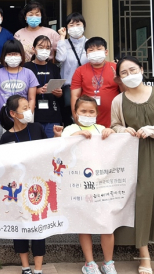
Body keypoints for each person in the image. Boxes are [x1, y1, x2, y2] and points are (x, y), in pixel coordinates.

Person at [111, 56, 154, 274]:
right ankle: (144, 257)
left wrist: (153, 129)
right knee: (140, 205)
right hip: (135, 156)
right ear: (119, 78)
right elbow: (114, 125)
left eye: (133, 70)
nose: (129, 75)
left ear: (141, 70)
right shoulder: (118, 101)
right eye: (124, 73)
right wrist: (123, 130)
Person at [53, 96, 117, 274]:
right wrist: (75, 137)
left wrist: (111, 133)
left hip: (102, 185)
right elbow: (61, 149)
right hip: (79, 185)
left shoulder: (101, 129)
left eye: (91, 112)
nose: (87, 115)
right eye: (83, 111)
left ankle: (109, 262)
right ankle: (90, 263)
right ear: (75, 113)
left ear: (97, 113)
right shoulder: (69, 129)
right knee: (84, 224)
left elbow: (115, 148)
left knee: (107, 225)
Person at [0, 95, 47, 274]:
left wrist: (57, 138)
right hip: (17, 191)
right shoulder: (5, 138)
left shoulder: (37, 128)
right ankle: (25, 267)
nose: (29, 111)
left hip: (38, 189)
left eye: (29, 107)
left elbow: (48, 152)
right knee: (20, 228)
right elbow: (3, 166)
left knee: (38, 229)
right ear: (13, 113)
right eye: (24, 108)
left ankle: (38, 270)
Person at [0, 39, 39, 143]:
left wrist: (28, 115)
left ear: (21, 55)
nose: (13, 57)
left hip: (22, 119)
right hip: (1, 119)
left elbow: (32, 99)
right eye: (10, 54)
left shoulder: (29, 73)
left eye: (16, 54)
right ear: (4, 56)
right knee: (2, 148)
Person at [70, 37, 121, 128]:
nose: (95, 52)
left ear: (106, 52)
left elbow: (125, 92)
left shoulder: (115, 68)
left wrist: (120, 82)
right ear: (86, 54)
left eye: (99, 49)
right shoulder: (79, 71)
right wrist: (76, 118)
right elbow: (75, 96)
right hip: (86, 120)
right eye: (91, 50)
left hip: (113, 120)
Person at [24, 35, 63, 138]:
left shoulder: (53, 67)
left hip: (52, 114)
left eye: (47, 48)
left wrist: (59, 93)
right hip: (34, 115)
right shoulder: (26, 67)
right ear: (33, 49)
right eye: (41, 47)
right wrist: (37, 91)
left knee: (53, 145)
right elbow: (22, 90)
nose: (44, 50)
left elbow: (60, 92)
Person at [56, 12, 89, 126]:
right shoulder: (63, 43)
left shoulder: (90, 43)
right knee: (70, 119)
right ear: (66, 27)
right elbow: (60, 58)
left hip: (86, 85)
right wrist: (62, 37)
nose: (75, 27)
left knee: (87, 114)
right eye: (71, 25)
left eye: (78, 24)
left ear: (84, 25)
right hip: (68, 87)